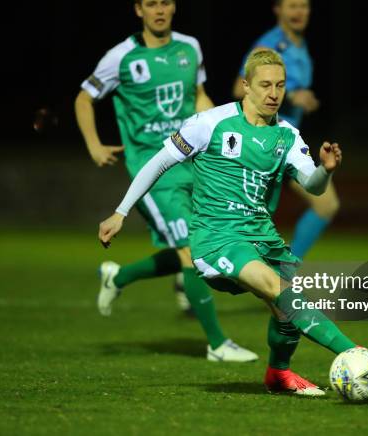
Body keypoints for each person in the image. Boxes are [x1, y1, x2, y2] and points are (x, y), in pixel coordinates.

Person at [99, 48, 368, 395]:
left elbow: (312, 187)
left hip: (262, 236)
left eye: (280, 86)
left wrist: (325, 171)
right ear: (246, 86)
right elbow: (158, 163)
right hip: (218, 238)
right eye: (266, 85)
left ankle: (278, 374)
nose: (274, 94)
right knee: (279, 290)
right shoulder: (209, 123)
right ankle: (359, 355)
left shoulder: (287, 135)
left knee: (288, 312)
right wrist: (120, 212)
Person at [75, 0, 257, 362]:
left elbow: (199, 95)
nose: (160, 10)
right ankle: (218, 345)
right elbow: (84, 98)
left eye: (166, 3)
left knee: (193, 247)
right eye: (152, 3)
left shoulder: (190, 47)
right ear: (138, 9)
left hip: (193, 162)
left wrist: (215, 130)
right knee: (192, 252)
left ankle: (119, 277)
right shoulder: (121, 57)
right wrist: (94, 145)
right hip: (153, 170)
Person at [233, 0, 339, 259]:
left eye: (303, 6)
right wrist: (291, 97)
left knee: (324, 204)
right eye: (292, 6)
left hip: (286, 141)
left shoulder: (300, 47)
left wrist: (302, 99)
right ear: (277, 9)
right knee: (247, 219)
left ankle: (284, 273)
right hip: (263, 141)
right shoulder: (269, 45)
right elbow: (239, 89)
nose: (299, 12)